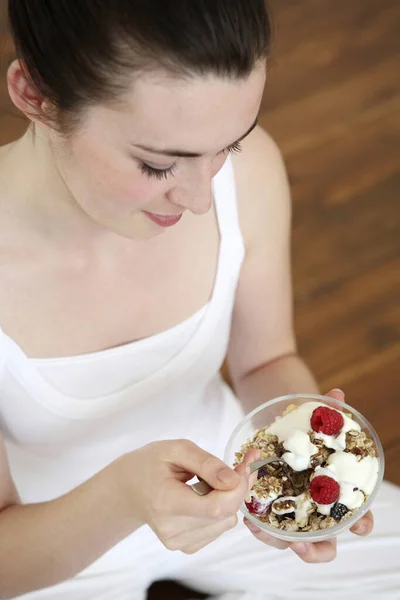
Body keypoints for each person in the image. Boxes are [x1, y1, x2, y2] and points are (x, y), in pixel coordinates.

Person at [0, 1, 399, 599]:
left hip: (235, 478)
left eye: (228, 147)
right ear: (36, 94)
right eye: (160, 164)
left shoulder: (249, 172)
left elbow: (264, 361)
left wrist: (297, 461)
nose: (202, 199)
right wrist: (124, 499)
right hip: (48, 538)